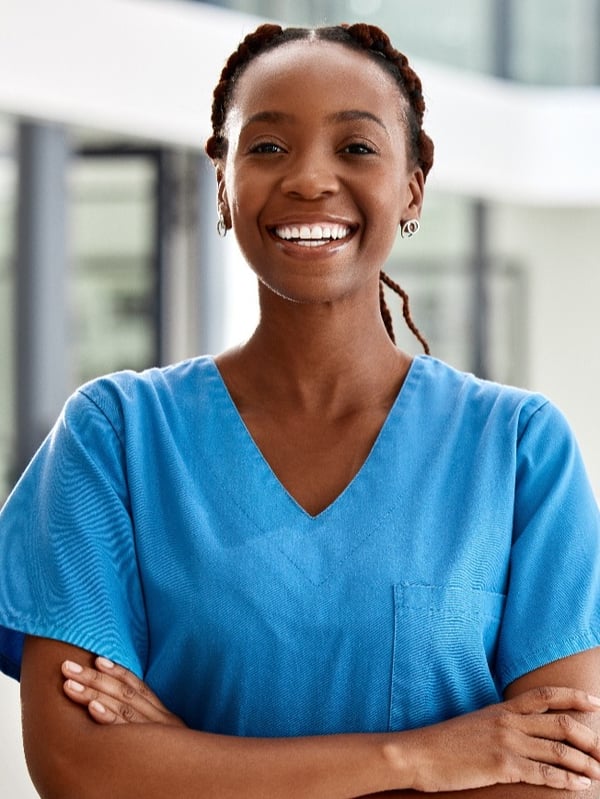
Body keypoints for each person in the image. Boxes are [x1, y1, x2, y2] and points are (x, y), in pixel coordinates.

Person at [1, 21, 600, 799]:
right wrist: (419, 756)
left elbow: (560, 779)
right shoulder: (113, 437)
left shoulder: (518, 449)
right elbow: (81, 770)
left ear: (413, 183)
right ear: (222, 182)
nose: (310, 180)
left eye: (356, 148)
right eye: (268, 147)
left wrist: (187, 762)